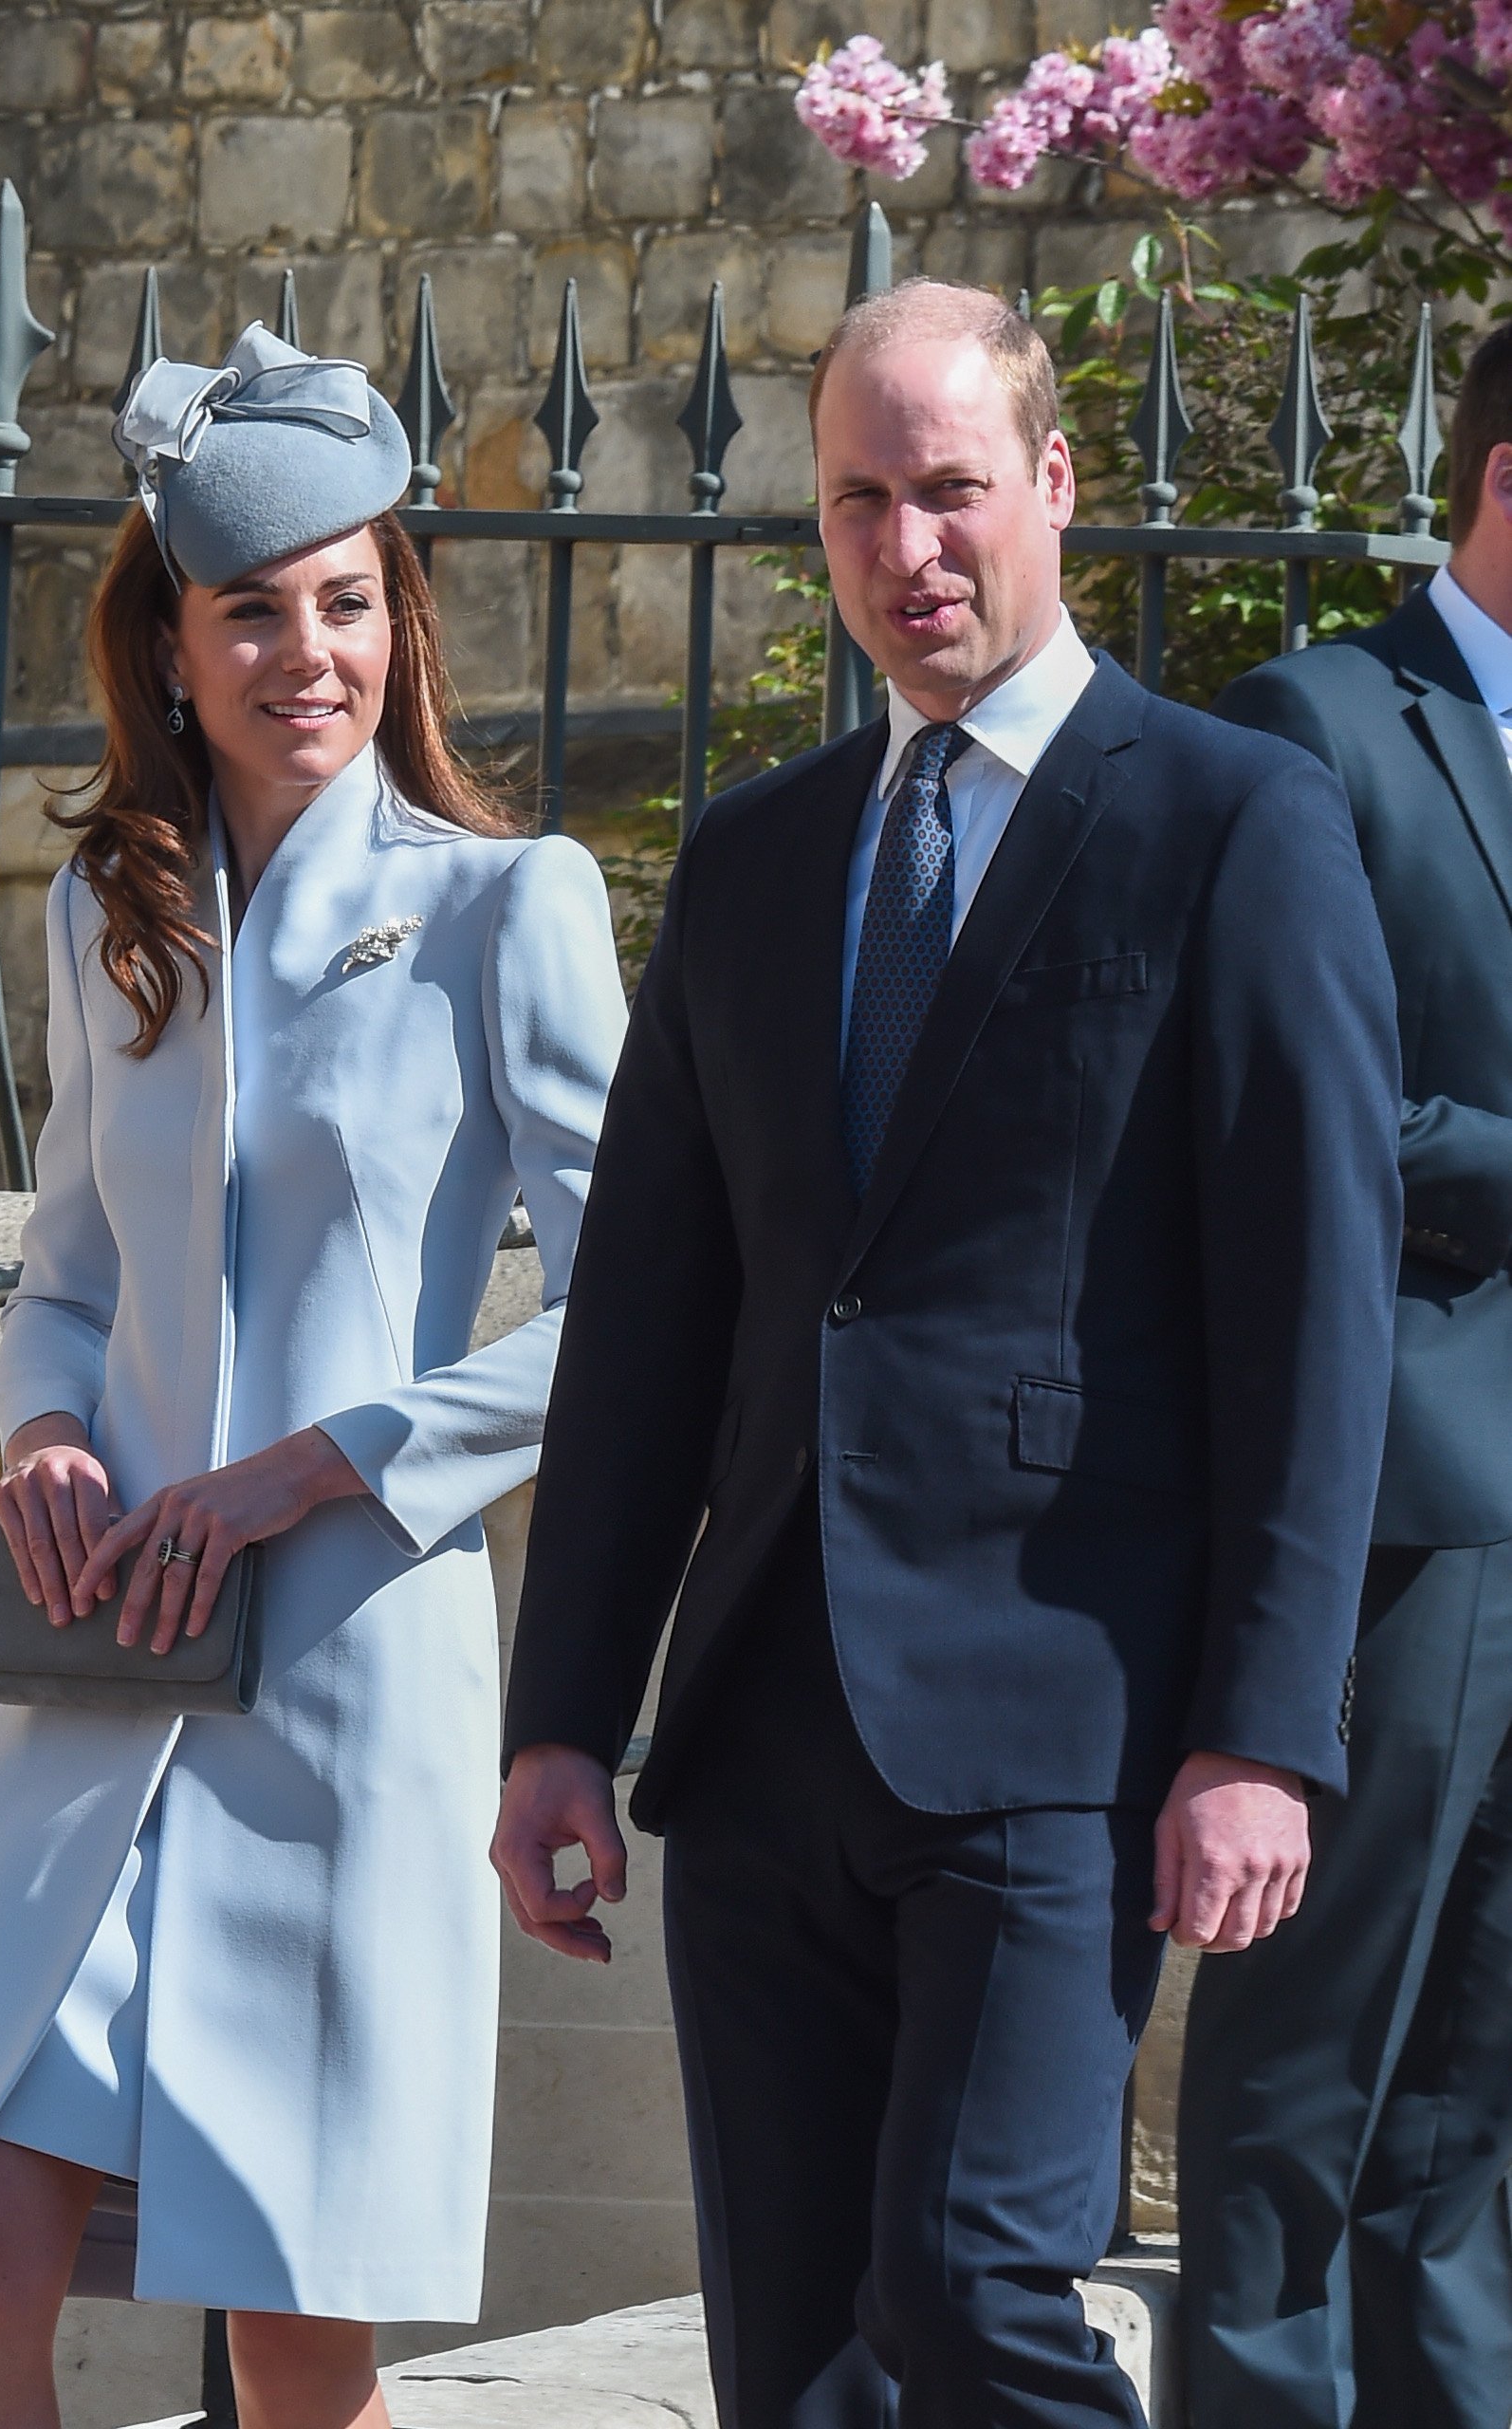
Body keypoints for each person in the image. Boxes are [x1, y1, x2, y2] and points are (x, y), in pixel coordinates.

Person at [490, 279, 1404, 2429]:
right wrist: (562, 1718)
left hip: (1054, 1727)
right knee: (791, 2355)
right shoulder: (748, 860)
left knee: (974, 2282)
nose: (910, 547)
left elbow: (1315, 1303)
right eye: (861, 501)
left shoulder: (1230, 823)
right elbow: (644, 1331)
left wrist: (1260, 1724)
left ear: (1055, 489)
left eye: (953, 491)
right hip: (757, 1729)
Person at [0, 326, 627, 2429]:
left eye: (348, 600)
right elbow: (64, 1275)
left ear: (399, 615)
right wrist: (37, 1427)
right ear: (174, 645)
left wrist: (315, 1465)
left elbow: (637, 1309)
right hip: (106, 1683)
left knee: (301, 2356)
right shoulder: (104, 918)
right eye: (255, 612)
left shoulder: (509, 905)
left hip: (341, 1689)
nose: (311, 652)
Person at [1177, 323, 1512, 2429]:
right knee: (1301, 2105)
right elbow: (1298, 1116)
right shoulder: (1311, 723)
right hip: (1402, 1520)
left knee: (1469, 2130)